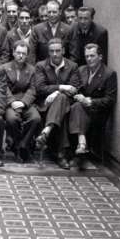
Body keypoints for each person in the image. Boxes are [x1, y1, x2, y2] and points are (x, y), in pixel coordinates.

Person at [34, 38, 80, 169]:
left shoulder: (73, 66)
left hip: (67, 104)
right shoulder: (41, 66)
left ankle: (47, 130)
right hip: (46, 105)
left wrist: (56, 93)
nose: (55, 54)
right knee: (62, 107)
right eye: (52, 51)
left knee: (62, 99)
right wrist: (61, 87)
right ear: (48, 52)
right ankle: (61, 154)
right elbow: (40, 88)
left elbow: (74, 88)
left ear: (63, 51)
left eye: (58, 51)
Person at [68, 43, 117, 167]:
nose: (89, 59)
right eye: (87, 56)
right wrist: (76, 94)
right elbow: (74, 87)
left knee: (77, 107)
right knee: (76, 107)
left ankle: (80, 145)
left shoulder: (109, 74)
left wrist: (90, 101)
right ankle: (82, 143)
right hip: (80, 109)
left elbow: (110, 100)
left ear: (100, 56)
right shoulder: (81, 70)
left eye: (92, 56)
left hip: (97, 112)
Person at [3, 41, 40, 162]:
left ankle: (22, 145)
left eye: (23, 53)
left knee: (35, 118)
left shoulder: (32, 70)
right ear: (13, 53)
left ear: (27, 55)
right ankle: (17, 146)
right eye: (18, 52)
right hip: (10, 103)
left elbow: (33, 89)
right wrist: (12, 101)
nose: (20, 56)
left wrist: (24, 102)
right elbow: (3, 87)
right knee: (12, 119)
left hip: (26, 102)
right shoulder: (4, 68)